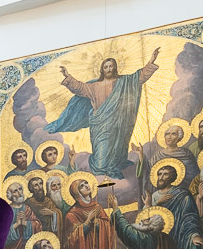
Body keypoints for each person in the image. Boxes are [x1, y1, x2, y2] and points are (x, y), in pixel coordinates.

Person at [46, 49, 160, 178]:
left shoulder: (124, 82)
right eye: (106, 67)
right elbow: (80, 88)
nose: (109, 69)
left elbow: (139, 77)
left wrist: (151, 61)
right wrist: (68, 76)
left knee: (118, 148)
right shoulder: (95, 86)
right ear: (102, 70)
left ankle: (114, 168)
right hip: (100, 125)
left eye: (111, 66)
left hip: (118, 123)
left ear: (115, 67)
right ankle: (100, 170)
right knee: (101, 157)